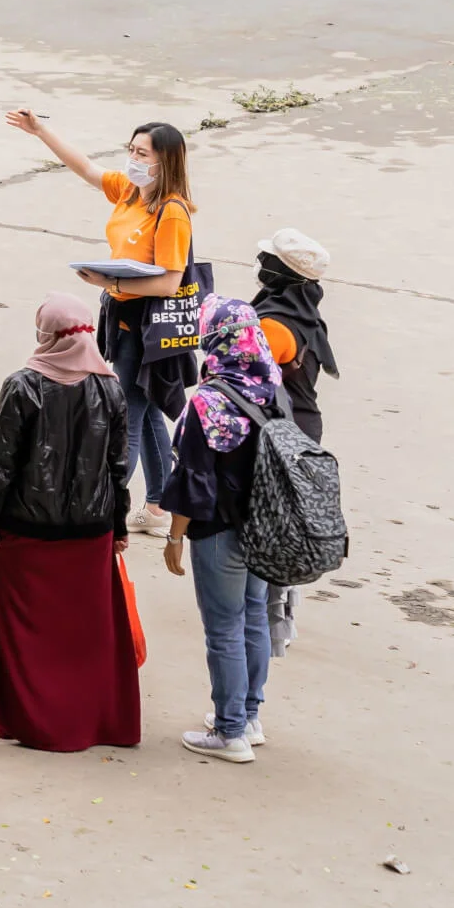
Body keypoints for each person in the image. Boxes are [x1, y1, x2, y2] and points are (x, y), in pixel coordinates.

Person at [0, 292, 141, 752]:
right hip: (91, 534)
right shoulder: (110, 387)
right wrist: (120, 526)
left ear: (47, 334)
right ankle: (82, 722)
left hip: (28, 529)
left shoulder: (24, 384)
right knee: (83, 637)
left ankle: (32, 720)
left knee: (25, 635)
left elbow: (1, 463)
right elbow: (118, 465)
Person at [5, 110, 197, 534]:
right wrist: (41, 132)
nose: (132, 158)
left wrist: (108, 279)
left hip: (148, 326)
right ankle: (159, 506)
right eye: (130, 149)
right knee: (145, 413)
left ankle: (100, 514)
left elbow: (169, 282)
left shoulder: (173, 213)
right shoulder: (131, 190)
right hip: (121, 315)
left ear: (165, 161)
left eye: (141, 153)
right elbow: (87, 168)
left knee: (124, 415)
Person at [159, 295, 284, 763]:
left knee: (224, 629)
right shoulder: (272, 387)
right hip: (264, 525)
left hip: (218, 530)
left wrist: (174, 537)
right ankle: (249, 718)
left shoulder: (207, 402)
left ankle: (229, 732)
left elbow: (193, 478)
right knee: (254, 616)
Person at [251, 228, 337, 656]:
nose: (258, 264)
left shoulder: (272, 325)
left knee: (270, 536)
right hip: (305, 432)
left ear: (278, 272)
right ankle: (278, 617)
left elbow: (243, 378)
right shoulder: (305, 313)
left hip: (279, 441)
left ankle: (265, 631)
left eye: (265, 259)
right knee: (284, 532)